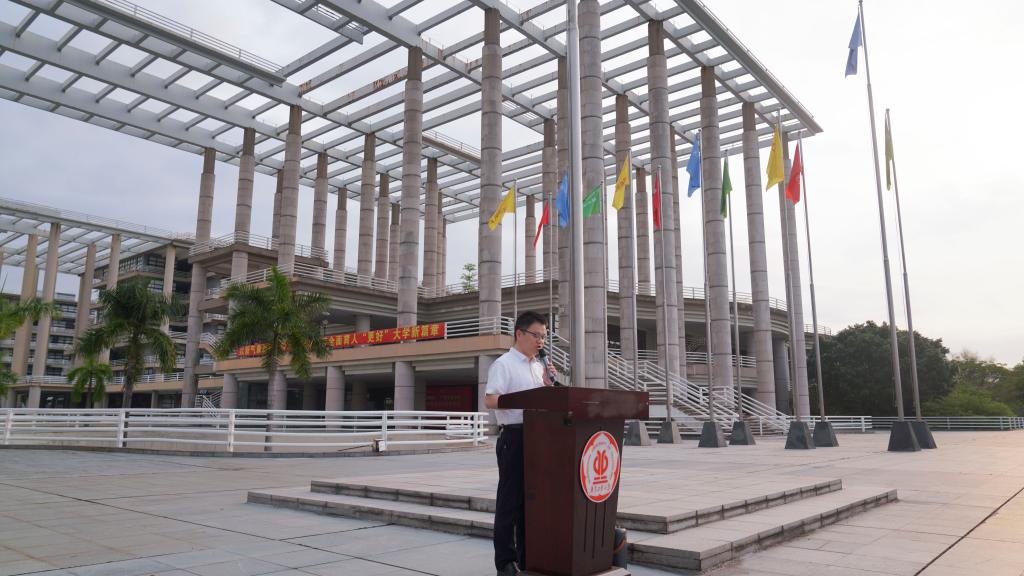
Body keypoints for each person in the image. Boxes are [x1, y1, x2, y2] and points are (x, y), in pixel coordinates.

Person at [484, 311, 556, 576]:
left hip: (539, 438)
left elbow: (547, 402)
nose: (541, 341)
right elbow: (491, 400)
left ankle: (527, 558)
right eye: (536, 335)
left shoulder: (539, 367)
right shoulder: (504, 364)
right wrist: (525, 399)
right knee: (510, 502)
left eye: (544, 336)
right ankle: (505, 561)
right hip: (514, 438)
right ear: (519, 333)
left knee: (532, 501)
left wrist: (549, 386)